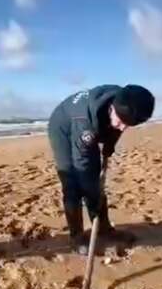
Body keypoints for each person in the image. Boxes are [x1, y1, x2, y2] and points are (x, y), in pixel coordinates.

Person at [48, 85, 155, 254]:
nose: (122, 128)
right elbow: (82, 165)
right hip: (63, 127)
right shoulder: (84, 124)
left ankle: (103, 229)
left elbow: (117, 127)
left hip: (91, 122)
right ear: (111, 108)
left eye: (128, 125)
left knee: (94, 180)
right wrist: (94, 193)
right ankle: (76, 236)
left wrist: (109, 145)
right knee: (72, 182)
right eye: (120, 122)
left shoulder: (126, 101)